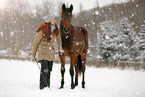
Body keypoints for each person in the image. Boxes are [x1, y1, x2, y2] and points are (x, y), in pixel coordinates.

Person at [31, 15, 62, 90]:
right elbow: (35, 42)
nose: (54, 21)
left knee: (49, 71)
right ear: (49, 22)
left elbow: (59, 39)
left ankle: (47, 86)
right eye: (53, 20)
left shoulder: (55, 30)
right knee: (44, 70)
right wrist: (33, 53)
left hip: (50, 54)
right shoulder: (43, 31)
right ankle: (42, 87)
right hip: (43, 53)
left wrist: (60, 48)